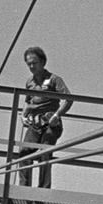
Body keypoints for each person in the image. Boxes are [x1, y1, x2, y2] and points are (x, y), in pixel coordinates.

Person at [18, 46, 71, 188]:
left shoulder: (54, 80)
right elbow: (27, 103)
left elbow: (69, 99)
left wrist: (57, 115)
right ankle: (23, 187)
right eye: (28, 63)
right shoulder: (30, 82)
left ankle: (43, 188)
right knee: (23, 152)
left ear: (42, 62)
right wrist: (23, 116)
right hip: (35, 124)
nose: (31, 66)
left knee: (45, 151)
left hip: (51, 123)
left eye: (34, 63)